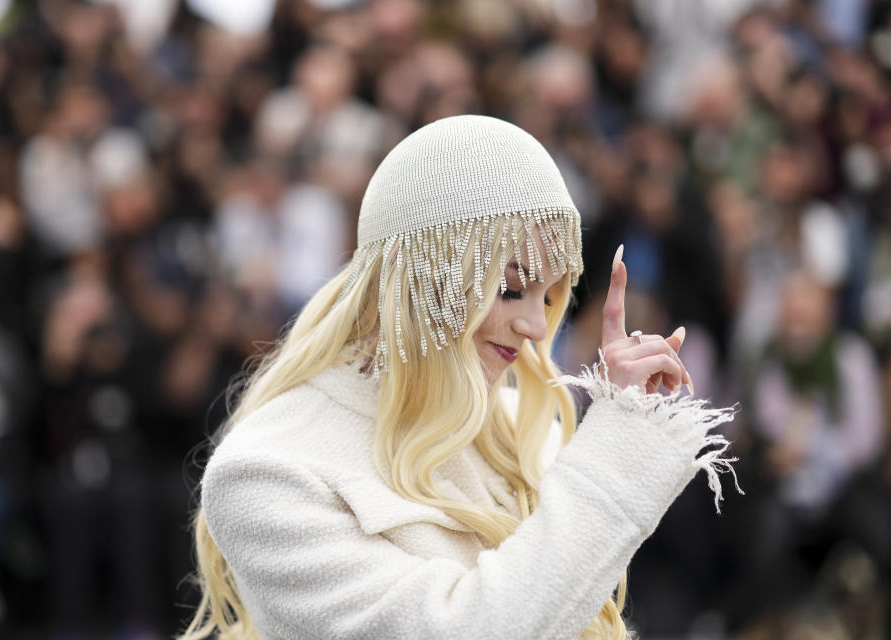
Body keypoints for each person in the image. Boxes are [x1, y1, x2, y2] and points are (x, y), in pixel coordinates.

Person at [180, 115, 739, 640]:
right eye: (510, 287)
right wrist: (615, 458)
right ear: (420, 275)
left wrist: (624, 427)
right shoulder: (267, 470)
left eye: (549, 295)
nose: (536, 326)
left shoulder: (529, 427)